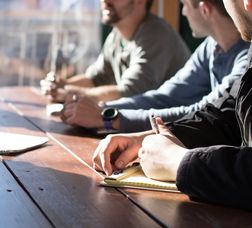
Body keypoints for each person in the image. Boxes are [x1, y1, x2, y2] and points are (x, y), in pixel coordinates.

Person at [92, 0, 252, 211]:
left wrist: (179, 161)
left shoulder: (155, 33)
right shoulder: (218, 49)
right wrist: (150, 139)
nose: (183, 12)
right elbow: (225, 115)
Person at [61, 0, 250, 133]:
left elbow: (202, 114)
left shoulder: (246, 60)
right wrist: (103, 107)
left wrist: (108, 117)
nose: (183, 12)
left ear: (205, 9)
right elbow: (166, 97)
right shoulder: (212, 46)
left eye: (183, 4)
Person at [41, 0, 190, 102]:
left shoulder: (156, 33)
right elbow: (95, 79)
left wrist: (68, 93)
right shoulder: (117, 34)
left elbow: (129, 93)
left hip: (176, 132)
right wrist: (61, 84)